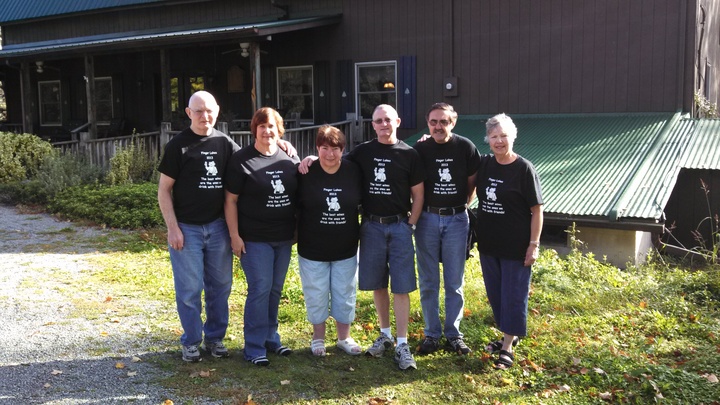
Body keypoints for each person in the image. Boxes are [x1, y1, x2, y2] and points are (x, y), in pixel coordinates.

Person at [301, 104, 424, 370]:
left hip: (400, 225)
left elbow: (419, 192)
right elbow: (331, 154)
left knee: (401, 286)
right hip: (371, 227)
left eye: (388, 120)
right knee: (378, 283)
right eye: (378, 120)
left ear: (398, 121)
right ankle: (385, 334)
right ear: (373, 125)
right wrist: (309, 158)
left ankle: (402, 342)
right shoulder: (364, 152)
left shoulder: (409, 153)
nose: (383, 124)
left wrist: (411, 225)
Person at [157, 90, 238, 362]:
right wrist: (173, 228)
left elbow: (253, 161)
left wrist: (287, 148)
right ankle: (191, 341)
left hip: (218, 228)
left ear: (217, 111)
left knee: (221, 286)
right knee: (190, 289)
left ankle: (215, 339)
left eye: (209, 110)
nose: (205, 116)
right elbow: (164, 191)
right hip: (187, 229)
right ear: (189, 113)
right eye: (199, 111)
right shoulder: (178, 146)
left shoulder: (225, 143)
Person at [224, 107, 300, 366]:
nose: (267, 131)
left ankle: (271, 338)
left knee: (275, 290)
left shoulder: (288, 157)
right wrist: (234, 235)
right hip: (254, 238)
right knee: (260, 288)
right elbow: (230, 201)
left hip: (284, 237)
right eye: (262, 126)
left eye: (272, 126)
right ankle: (254, 347)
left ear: (279, 130)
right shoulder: (242, 160)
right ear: (254, 129)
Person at [475, 113, 543, 369]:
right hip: (489, 244)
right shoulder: (485, 165)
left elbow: (537, 210)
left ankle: (507, 348)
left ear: (512, 137)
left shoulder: (524, 168)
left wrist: (533, 245)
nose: (499, 141)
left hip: (516, 246)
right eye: (494, 136)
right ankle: (508, 337)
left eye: (504, 136)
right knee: (496, 295)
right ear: (488, 140)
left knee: (514, 295)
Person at [413, 103, 482, 356]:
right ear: (427, 123)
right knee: (429, 281)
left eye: (443, 122)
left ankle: (453, 334)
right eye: (433, 122)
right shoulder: (420, 148)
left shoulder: (465, 147)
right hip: (428, 219)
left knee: (454, 282)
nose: (438, 126)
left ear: (453, 122)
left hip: (456, 219)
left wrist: (462, 205)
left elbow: (472, 182)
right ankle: (431, 333)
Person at [296, 125, 363, 357]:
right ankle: (318, 338)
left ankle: (344, 337)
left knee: (345, 292)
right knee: (316, 293)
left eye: (335, 148)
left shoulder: (354, 171)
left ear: (343, 150)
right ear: (317, 148)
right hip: (312, 247)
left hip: (346, 246)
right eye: (324, 148)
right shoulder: (305, 171)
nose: (330, 154)